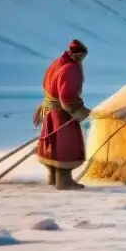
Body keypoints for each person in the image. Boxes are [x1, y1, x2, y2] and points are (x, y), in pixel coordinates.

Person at [34, 39, 93, 190]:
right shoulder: (70, 69)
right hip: (61, 113)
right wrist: (80, 111)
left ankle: (54, 178)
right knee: (66, 146)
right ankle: (64, 182)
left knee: (52, 145)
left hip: (50, 112)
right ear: (78, 54)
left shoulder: (57, 64)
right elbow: (67, 96)